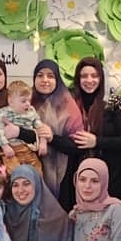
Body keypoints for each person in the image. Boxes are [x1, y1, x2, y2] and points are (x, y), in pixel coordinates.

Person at [65, 56, 121, 207]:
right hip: (80, 177)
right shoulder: (71, 103)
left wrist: (96, 142)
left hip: (111, 177)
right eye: (84, 76)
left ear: (101, 78)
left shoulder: (113, 102)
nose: (89, 80)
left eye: (94, 76)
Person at [28, 59, 83, 207]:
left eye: (50, 76)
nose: (45, 80)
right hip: (30, 170)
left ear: (57, 79)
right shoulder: (26, 101)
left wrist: (52, 138)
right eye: (40, 75)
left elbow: (77, 146)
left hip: (63, 175)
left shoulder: (68, 105)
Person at [0, 80, 45, 174]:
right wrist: (5, 147)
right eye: (23, 101)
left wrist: (43, 142)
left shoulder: (31, 111)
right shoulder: (2, 113)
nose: (28, 104)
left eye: (29, 100)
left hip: (28, 149)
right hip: (11, 150)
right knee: (16, 173)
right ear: (11, 101)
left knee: (37, 171)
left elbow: (40, 127)